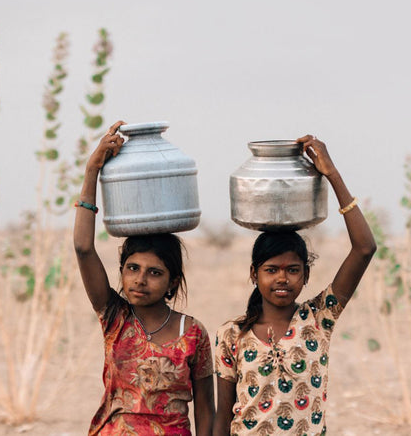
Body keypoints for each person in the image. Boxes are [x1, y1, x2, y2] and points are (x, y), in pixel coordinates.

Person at [213, 134, 376, 436]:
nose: (282, 279)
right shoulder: (231, 333)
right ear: (254, 273)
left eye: (292, 270)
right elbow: (222, 415)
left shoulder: (319, 318)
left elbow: (365, 248)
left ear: (305, 275)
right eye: (271, 270)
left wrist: (332, 174)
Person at [74, 120, 215, 436]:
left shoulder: (193, 334)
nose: (140, 280)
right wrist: (92, 171)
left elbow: (206, 408)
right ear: (122, 272)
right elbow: (83, 248)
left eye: (155, 273)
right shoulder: (115, 318)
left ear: (173, 282)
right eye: (132, 268)